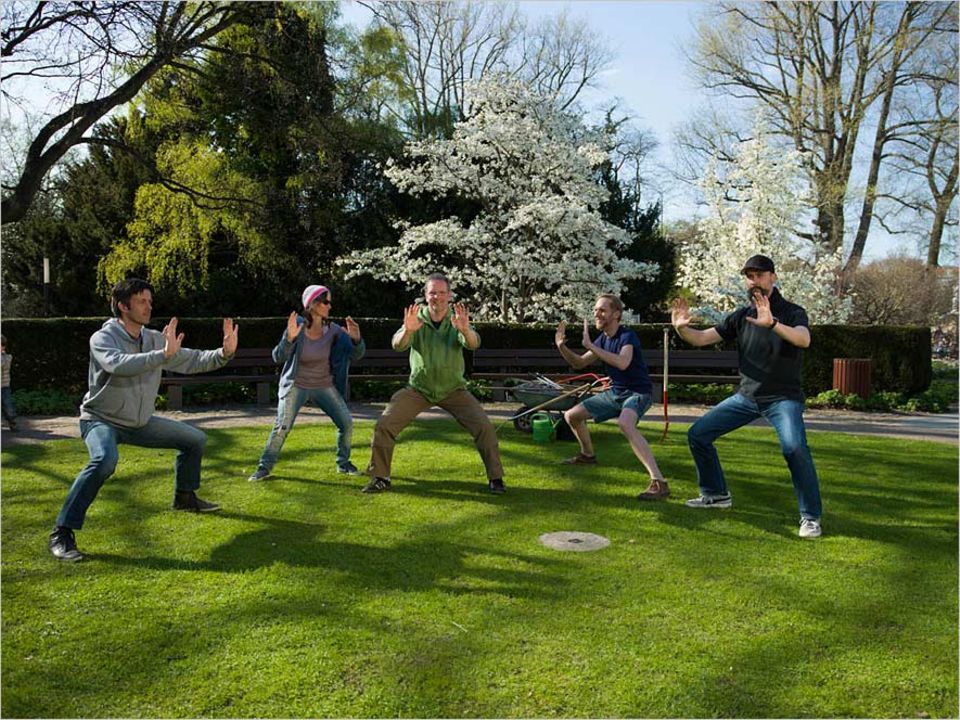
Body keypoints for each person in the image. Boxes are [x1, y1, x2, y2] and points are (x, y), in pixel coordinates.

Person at [48, 278, 239, 562]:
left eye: (150, 301)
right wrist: (161, 355)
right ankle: (61, 532)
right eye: (141, 301)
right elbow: (119, 365)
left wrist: (224, 353)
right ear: (123, 306)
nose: (148, 306)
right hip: (100, 419)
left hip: (138, 423)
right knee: (104, 460)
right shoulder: (103, 338)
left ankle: (184, 498)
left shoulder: (153, 339)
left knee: (195, 439)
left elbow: (190, 360)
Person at [671, 254, 823, 539]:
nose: (754, 281)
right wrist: (682, 328)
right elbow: (702, 338)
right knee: (698, 435)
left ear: (773, 277)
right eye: (749, 276)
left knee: (794, 449)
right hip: (747, 397)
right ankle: (716, 495)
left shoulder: (792, 312)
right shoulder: (741, 316)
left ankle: (811, 517)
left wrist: (773, 323)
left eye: (759, 275)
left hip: (783, 399)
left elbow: (804, 339)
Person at [362, 273, 505, 495]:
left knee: (484, 427)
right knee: (385, 425)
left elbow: (473, 343)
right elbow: (397, 345)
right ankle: (380, 477)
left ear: (449, 296)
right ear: (425, 296)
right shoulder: (416, 318)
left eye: (440, 292)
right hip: (419, 389)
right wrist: (408, 330)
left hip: (453, 390)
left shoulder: (456, 319)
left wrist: (465, 330)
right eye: (432, 292)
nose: (436, 297)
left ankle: (496, 479)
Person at [554, 294, 669, 500]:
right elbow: (579, 363)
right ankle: (587, 455)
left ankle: (659, 482)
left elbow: (623, 362)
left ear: (616, 314)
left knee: (625, 424)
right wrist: (562, 347)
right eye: (596, 310)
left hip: (637, 393)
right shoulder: (603, 339)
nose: (597, 314)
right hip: (615, 393)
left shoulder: (627, 336)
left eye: (602, 310)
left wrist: (592, 346)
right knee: (572, 416)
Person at [248, 284, 366, 482]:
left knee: (346, 423)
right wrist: (289, 338)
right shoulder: (298, 327)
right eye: (326, 302)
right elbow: (278, 357)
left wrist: (356, 339)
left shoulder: (335, 330)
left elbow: (357, 355)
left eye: (330, 302)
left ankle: (343, 464)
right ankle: (263, 468)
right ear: (312, 304)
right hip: (296, 385)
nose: (330, 306)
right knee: (282, 427)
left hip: (324, 385)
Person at [1, 334, 19, 432]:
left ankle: (13, 423)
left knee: (8, 406)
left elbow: (2, 364)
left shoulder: (7, 358)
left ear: (3, 347)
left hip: (3, 387)